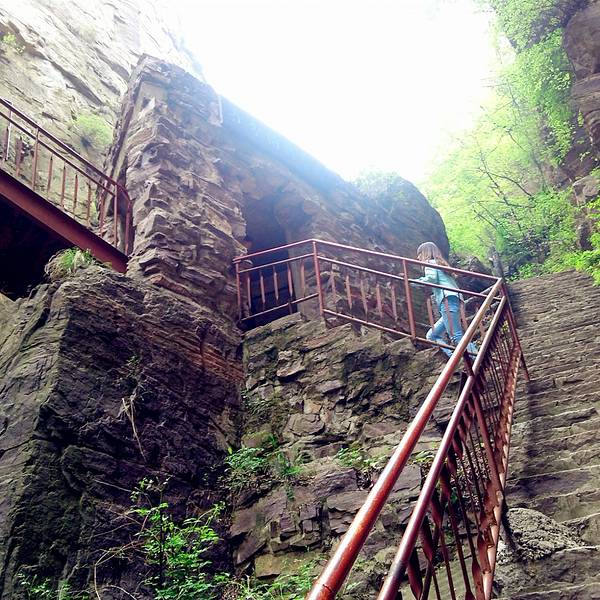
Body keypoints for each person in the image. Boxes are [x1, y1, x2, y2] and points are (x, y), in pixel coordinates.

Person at [415, 242, 477, 358]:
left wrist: (413, 281)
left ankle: (478, 359)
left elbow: (431, 279)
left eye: (419, 254)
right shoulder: (441, 264)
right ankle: (453, 358)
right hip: (454, 299)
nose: (417, 258)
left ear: (425, 253)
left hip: (447, 300)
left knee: (456, 335)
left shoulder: (430, 263)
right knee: (431, 335)